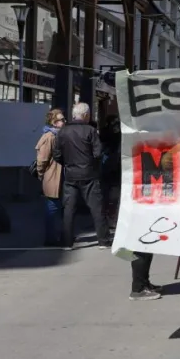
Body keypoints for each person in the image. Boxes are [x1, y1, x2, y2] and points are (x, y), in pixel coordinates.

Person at [53, 102, 111, 249]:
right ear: (85, 115)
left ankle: (67, 242)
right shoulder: (90, 131)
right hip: (89, 174)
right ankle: (103, 240)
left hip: (71, 174)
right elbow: (98, 153)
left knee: (69, 209)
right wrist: (93, 166)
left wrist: (68, 164)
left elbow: (57, 155)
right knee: (97, 208)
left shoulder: (63, 132)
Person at [35, 108, 66, 247]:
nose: (64, 121)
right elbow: (42, 160)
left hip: (59, 176)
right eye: (61, 119)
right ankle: (51, 238)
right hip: (52, 176)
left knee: (58, 208)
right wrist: (41, 174)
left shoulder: (58, 135)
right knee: (52, 208)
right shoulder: (49, 137)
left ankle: (58, 236)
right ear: (53, 122)